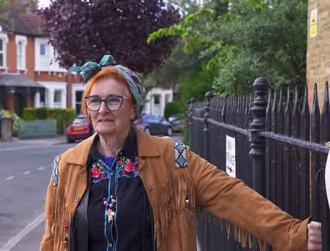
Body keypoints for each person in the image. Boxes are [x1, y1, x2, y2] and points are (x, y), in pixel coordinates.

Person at [40, 55, 322, 251]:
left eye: (114, 100)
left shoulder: (172, 158)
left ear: (133, 108)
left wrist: (290, 233)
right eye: (94, 101)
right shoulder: (67, 165)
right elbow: (52, 239)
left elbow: (231, 194)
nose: (102, 109)